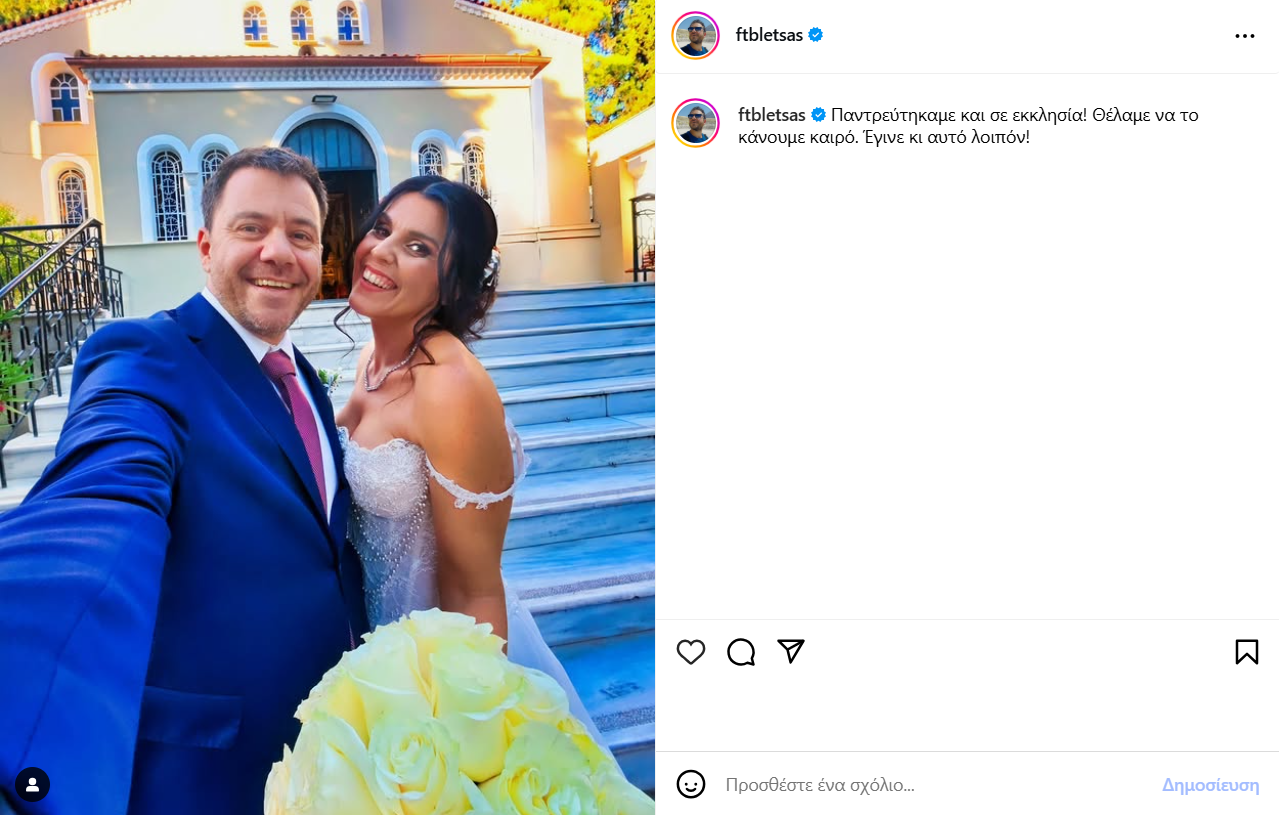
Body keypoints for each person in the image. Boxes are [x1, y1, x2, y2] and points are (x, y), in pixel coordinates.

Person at [0, 147, 366, 815]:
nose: (278, 252)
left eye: (301, 234)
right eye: (251, 227)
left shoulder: (301, 373)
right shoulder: (145, 356)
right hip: (208, 772)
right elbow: (106, 489)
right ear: (205, 246)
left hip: (327, 748)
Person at [336, 175, 607, 743]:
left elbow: (475, 590)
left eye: (418, 247)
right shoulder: (371, 359)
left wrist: (466, 740)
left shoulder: (449, 386)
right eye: (382, 229)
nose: (380, 251)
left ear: (452, 283)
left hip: (446, 676)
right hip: (381, 655)